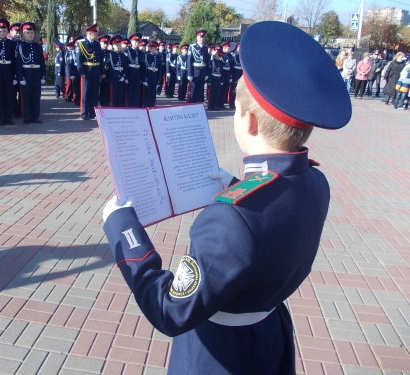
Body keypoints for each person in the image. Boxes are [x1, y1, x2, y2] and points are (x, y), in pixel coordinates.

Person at [101, 21, 351, 375]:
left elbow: (171, 310)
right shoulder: (316, 181)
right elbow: (275, 208)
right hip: (270, 334)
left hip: (219, 353)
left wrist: (123, 227)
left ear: (248, 121)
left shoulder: (231, 218)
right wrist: (236, 185)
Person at [15, 22, 46, 124]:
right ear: (23, 34)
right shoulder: (20, 46)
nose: (30, 34)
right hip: (26, 73)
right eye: (27, 32)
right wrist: (20, 77)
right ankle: (27, 117)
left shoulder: (38, 46)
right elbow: (18, 63)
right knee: (26, 97)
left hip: (36, 74)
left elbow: (42, 62)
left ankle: (35, 117)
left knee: (36, 97)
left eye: (31, 32)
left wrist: (43, 75)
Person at [0, 18, 17, 125]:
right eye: (0, 31)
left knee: (9, 96)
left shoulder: (11, 44)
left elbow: (14, 61)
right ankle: (1, 118)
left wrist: (14, 75)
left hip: (8, 72)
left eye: (4, 31)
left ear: (7, 32)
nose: (2, 33)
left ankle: (8, 117)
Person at [75, 24, 105, 120]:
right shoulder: (82, 43)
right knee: (86, 93)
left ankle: (93, 112)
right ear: (89, 33)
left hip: (96, 71)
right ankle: (84, 112)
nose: (97, 35)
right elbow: (79, 60)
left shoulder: (97, 44)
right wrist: (81, 72)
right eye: (95, 33)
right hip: (86, 72)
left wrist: (102, 72)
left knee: (95, 93)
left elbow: (100, 59)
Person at [187, 30, 210, 103]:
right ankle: (192, 104)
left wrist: (206, 73)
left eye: (203, 37)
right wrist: (189, 74)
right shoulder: (192, 47)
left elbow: (207, 61)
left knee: (201, 90)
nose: (202, 39)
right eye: (200, 37)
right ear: (197, 37)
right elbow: (189, 61)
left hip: (202, 71)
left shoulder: (205, 48)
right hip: (195, 71)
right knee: (194, 89)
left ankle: (199, 104)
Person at [107, 34, 127, 107]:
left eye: (119, 44)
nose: (119, 46)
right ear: (113, 46)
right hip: (114, 78)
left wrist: (123, 76)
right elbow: (111, 68)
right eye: (117, 45)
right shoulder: (110, 55)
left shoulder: (123, 55)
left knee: (120, 95)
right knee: (113, 96)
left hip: (121, 78)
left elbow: (125, 67)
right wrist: (118, 77)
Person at [124, 32, 143, 108]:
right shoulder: (127, 51)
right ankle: (130, 107)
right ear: (131, 42)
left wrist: (141, 76)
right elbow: (125, 65)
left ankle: (136, 107)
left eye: (138, 42)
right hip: (130, 75)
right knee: (130, 92)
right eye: (135, 42)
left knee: (137, 92)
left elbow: (141, 66)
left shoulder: (140, 52)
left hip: (138, 75)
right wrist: (126, 77)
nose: (136, 43)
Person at [142, 40, 162, 107]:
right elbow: (144, 68)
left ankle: (152, 106)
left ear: (156, 48)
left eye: (152, 48)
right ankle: (146, 106)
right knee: (147, 93)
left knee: (153, 94)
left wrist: (159, 80)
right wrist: (144, 79)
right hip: (148, 77)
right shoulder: (146, 56)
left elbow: (160, 69)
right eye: (150, 48)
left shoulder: (159, 56)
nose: (150, 49)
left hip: (155, 76)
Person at [10, 23, 22, 118]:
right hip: (12, 72)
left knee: (22, 93)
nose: (18, 34)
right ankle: (14, 110)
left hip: (22, 72)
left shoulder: (23, 44)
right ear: (11, 32)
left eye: (19, 32)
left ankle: (21, 109)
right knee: (12, 93)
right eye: (16, 32)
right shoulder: (10, 43)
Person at [207, 45, 223, 111]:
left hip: (218, 79)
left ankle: (215, 105)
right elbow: (209, 71)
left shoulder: (221, 62)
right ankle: (210, 106)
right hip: (213, 78)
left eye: (220, 56)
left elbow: (221, 72)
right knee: (212, 93)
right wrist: (209, 80)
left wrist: (221, 80)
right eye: (218, 55)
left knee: (217, 93)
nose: (219, 57)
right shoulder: (212, 61)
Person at [97, 34, 110, 107]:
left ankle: (105, 106)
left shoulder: (109, 53)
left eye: (106, 43)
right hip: (99, 75)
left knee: (106, 92)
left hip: (107, 75)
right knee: (99, 92)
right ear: (100, 43)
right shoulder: (98, 52)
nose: (105, 45)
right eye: (104, 43)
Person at [219, 41, 233, 109]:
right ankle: (219, 103)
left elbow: (231, 66)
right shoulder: (221, 54)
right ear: (224, 47)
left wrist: (230, 75)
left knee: (225, 89)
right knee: (221, 90)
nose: (229, 48)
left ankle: (222, 104)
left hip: (227, 73)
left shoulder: (230, 55)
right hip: (223, 73)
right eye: (228, 47)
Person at [229, 43, 242, 109]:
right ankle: (232, 104)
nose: (239, 49)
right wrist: (231, 76)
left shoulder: (243, 57)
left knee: (240, 90)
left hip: (241, 75)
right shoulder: (234, 57)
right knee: (233, 90)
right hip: (235, 75)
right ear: (237, 48)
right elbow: (231, 67)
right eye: (238, 47)